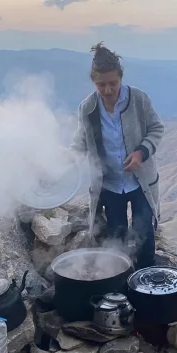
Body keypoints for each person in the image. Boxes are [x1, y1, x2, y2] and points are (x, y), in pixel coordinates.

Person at [70, 42, 164, 269]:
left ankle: (145, 278)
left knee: (144, 234)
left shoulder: (139, 100)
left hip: (140, 183)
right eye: (101, 84)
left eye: (113, 83)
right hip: (110, 185)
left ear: (121, 78)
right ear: (94, 82)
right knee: (116, 235)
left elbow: (157, 128)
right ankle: (120, 281)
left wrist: (141, 152)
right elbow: (81, 141)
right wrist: (68, 159)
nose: (108, 90)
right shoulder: (88, 108)